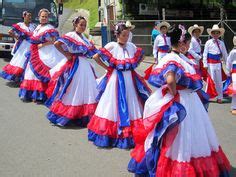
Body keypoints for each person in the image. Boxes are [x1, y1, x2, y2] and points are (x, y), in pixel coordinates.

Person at [128, 25, 231, 177]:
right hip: (183, 99)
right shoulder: (173, 58)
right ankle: (181, 166)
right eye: (188, 44)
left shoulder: (178, 57)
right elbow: (170, 80)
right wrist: (176, 93)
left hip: (187, 99)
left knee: (187, 133)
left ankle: (186, 163)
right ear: (182, 43)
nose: (189, 46)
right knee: (184, 134)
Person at [87, 22, 151, 149]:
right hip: (116, 79)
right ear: (117, 34)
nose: (126, 37)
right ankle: (113, 133)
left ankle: (131, 132)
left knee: (132, 101)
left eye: (127, 35)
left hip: (130, 79)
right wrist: (107, 68)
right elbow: (96, 56)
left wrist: (134, 65)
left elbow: (141, 55)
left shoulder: (131, 46)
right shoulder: (112, 45)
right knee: (113, 103)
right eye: (124, 35)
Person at [45, 16, 99, 127]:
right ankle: (68, 114)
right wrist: (66, 54)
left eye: (84, 25)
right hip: (76, 64)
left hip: (84, 65)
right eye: (81, 25)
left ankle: (81, 114)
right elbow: (57, 44)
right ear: (75, 25)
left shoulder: (83, 37)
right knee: (74, 89)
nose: (83, 27)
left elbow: (91, 52)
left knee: (86, 89)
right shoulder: (71, 35)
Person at [19, 8, 64, 102]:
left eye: (46, 17)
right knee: (31, 73)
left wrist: (42, 45)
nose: (44, 18)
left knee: (41, 73)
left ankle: (40, 95)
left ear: (48, 18)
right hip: (35, 52)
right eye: (42, 16)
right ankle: (32, 94)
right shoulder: (38, 27)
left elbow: (53, 41)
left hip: (46, 52)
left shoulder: (50, 28)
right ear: (39, 17)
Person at [0, 11, 36, 82]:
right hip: (22, 46)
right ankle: (16, 77)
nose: (30, 17)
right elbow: (10, 32)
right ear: (24, 17)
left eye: (30, 16)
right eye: (28, 16)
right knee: (20, 61)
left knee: (27, 61)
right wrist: (16, 37)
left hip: (30, 46)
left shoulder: (33, 26)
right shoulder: (20, 25)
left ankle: (24, 77)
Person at [203, 24, 228, 103]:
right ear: (212, 34)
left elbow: (225, 54)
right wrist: (205, 64)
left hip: (218, 64)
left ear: (219, 34)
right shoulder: (208, 42)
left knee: (219, 81)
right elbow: (205, 54)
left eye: (217, 33)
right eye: (214, 33)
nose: (215, 34)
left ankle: (219, 97)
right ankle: (208, 96)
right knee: (210, 80)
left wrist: (227, 64)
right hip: (210, 64)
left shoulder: (221, 43)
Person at [225, 36, 236, 115]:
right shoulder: (233, 52)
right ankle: (234, 107)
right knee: (235, 90)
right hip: (235, 71)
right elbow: (228, 62)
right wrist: (228, 71)